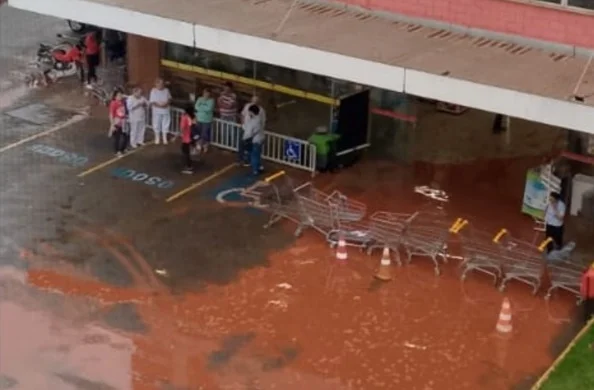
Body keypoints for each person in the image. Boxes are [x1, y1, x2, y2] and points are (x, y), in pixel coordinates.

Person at [239, 95, 266, 166]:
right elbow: (242, 115)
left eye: (256, 101)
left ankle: (251, 162)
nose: (254, 103)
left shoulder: (261, 111)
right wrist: (242, 124)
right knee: (242, 145)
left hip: (253, 133)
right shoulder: (247, 106)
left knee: (252, 148)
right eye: (253, 101)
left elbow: (262, 122)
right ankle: (242, 160)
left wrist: (256, 132)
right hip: (245, 129)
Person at [242, 104, 264, 176]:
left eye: (249, 112)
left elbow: (250, 132)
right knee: (257, 154)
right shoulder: (258, 119)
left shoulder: (254, 121)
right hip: (259, 139)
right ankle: (260, 167)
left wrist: (245, 138)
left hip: (254, 140)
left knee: (254, 155)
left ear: (252, 112)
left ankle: (255, 170)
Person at [149, 78, 172, 145]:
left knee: (166, 124)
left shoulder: (166, 90)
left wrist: (166, 104)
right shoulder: (153, 91)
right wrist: (160, 105)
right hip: (156, 111)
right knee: (156, 124)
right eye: (159, 84)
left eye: (162, 84)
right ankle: (157, 138)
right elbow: (152, 101)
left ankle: (164, 138)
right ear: (156, 84)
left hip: (165, 110)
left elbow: (170, 99)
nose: (161, 85)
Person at [194, 88, 215, 153]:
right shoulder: (199, 99)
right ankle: (199, 144)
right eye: (205, 93)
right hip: (199, 118)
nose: (206, 94)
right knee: (199, 132)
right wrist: (203, 109)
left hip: (207, 120)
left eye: (208, 93)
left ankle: (205, 145)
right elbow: (196, 106)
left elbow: (209, 109)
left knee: (205, 133)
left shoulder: (212, 100)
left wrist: (201, 108)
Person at [108, 89, 128, 156]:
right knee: (117, 138)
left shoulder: (122, 102)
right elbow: (111, 114)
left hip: (123, 123)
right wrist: (112, 125)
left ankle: (122, 149)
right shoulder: (113, 103)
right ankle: (117, 151)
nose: (120, 96)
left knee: (126, 136)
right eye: (118, 95)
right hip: (117, 123)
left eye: (121, 95)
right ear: (115, 96)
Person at [179, 106, 196, 174]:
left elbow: (182, 128)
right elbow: (193, 125)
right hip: (190, 136)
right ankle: (189, 165)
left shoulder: (184, 117)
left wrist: (176, 136)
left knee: (185, 152)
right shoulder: (192, 117)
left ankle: (189, 167)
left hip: (186, 137)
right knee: (186, 151)